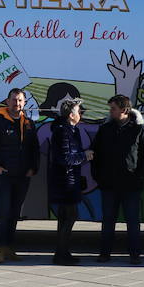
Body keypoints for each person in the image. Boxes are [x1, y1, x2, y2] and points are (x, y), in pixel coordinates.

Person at [91, 94, 144, 264]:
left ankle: (135, 254)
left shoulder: (140, 130)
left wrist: (140, 176)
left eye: (113, 108)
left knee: (132, 221)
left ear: (125, 110)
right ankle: (104, 253)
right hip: (109, 184)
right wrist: (98, 176)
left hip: (131, 185)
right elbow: (95, 153)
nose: (110, 112)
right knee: (108, 221)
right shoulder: (105, 130)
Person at [0, 87, 40, 263]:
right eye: (14, 100)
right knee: (3, 213)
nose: (17, 103)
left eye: (20, 100)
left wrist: (33, 168)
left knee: (14, 213)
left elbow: (34, 149)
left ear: (24, 103)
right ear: (7, 101)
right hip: (3, 176)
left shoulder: (28, 123)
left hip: (22, 177)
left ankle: (9, 248)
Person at [47, 98, 88, 265]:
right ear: (71, 115)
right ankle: (61, 254)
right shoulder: (63, 131)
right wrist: (85, 156)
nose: (81, 114)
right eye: (79, 111)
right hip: (65, 181)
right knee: (69, 216)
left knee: (66, 217)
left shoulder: (69, 129)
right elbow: (65, 158)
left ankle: (62, 252)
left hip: (68, 179)